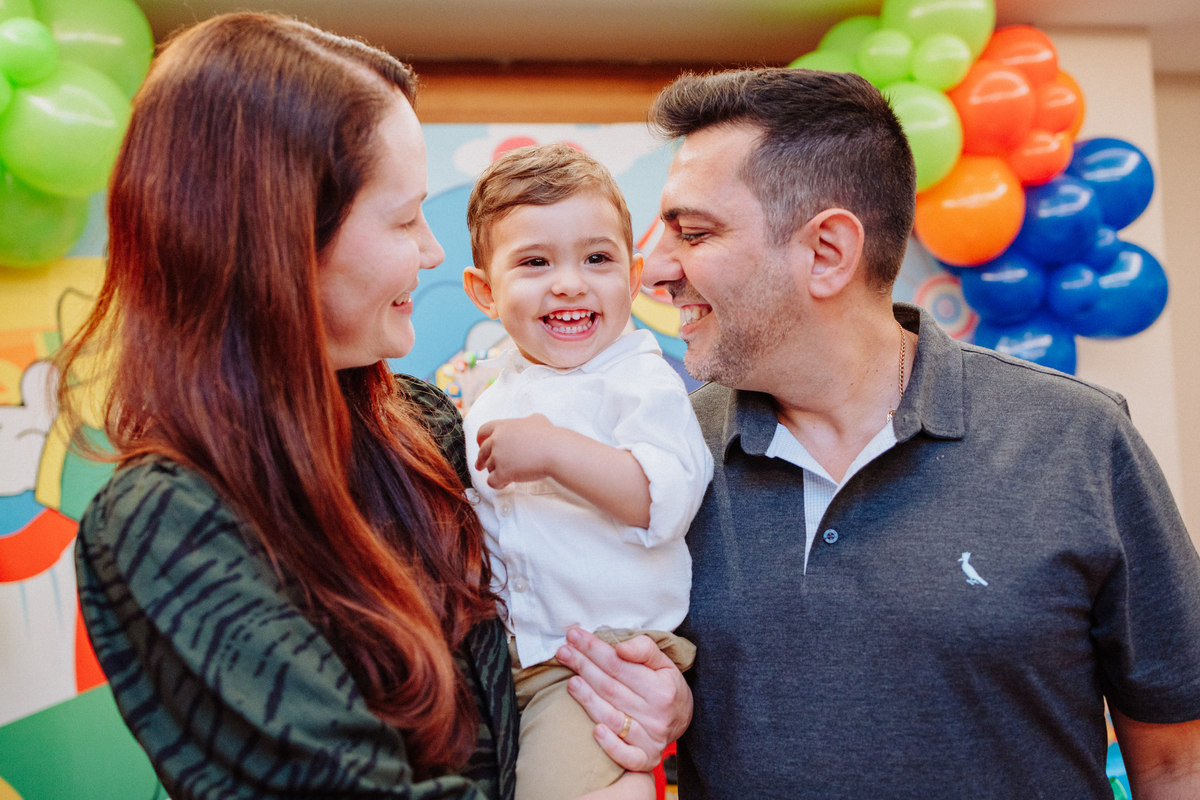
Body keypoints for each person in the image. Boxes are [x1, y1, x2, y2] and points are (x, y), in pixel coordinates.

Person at [57, 14, 688, 800]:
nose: (431, 251)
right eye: (403, 218)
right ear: (281, 241)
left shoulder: (424, 425)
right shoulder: (164, 522)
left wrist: (649, 695)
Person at [639, 67, 1200, 799]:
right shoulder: (660, 463)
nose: (653, 270)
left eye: (694, 232)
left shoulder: (1080, 440)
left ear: (828, 251)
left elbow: (1175, 761)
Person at [460, 143, 713, 800]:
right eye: (535, 262)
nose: (569, 282)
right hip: (519, 659)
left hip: (606, 655)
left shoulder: (639, 381)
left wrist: (553, 452)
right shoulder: (494, 397)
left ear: (630, 277)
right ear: (485, 291)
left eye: (596, 259)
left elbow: (663, 500)